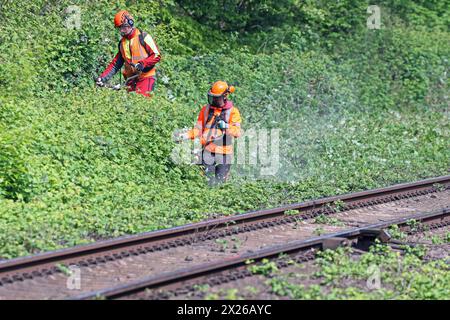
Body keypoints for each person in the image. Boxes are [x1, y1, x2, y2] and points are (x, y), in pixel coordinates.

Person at [177, 81, 242, 185]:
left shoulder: (233, 111)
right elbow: (198, 129)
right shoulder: (206, 109)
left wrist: (226, 127)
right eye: (213, 97)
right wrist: (185, 135)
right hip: (207, 151)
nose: (214, 100)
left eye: (217, 97)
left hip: (224, 153)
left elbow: (237, 132)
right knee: (207, 182)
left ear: (225, 96)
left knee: (220, 184)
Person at [96, 10, 161, 97]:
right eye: (120, 28)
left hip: (146, 77)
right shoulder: (122, 43)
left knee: (141, 105)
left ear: (130, 23)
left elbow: (156, 55)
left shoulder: (143, 37)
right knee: (128, 107)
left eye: (124, 27)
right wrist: (102, 78)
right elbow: (115, 65)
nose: (122, 30)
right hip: (130, 80)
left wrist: (143, 63)